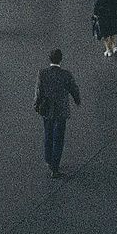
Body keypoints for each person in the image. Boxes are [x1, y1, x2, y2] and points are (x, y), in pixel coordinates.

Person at [35, 49, 81, 178]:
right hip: (61, 109)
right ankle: (55, 167)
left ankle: (48, 159)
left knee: (48, 134)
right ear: (61, 59)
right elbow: (73, 88)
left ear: (50, 59)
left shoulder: (42, 73)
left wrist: (36, 105)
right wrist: (77, 99)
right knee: (58, 138)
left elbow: (39, 91)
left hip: (47, 109)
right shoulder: (66, 74)